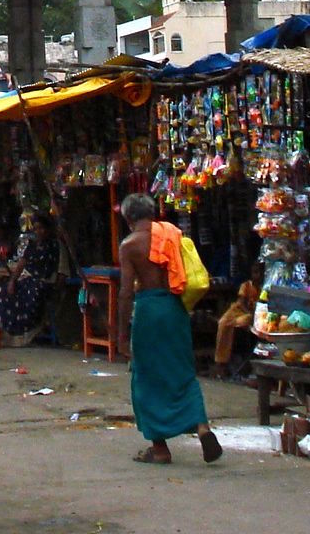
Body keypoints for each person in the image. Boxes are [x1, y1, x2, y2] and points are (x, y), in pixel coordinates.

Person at [116, 193, 220, 466]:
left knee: (146, 376)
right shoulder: (172, 234)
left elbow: (126, 292)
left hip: (149, 310)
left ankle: (160, 448)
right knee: (183, 371)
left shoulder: (130, 245)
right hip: (175, 308)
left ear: (128, 218)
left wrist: (121, 333)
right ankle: (202, 427)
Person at [0, 209, 58, 337]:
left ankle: (26, 329)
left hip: (44, 282)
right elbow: (21, 264)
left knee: (32, 292)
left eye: (41, 228)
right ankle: (6, 330)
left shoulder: (54, 245)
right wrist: (12, 281)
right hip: (28, 280)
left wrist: (57, 289)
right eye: (36, 229)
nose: (39, 231)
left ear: (47, 229)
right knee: (4, 290)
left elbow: (59, 271)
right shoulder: (32, 246)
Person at [211, 264, 262, 379]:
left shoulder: (263, 288)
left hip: (251, 316)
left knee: (246, 321)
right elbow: (242, 303)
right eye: (255, 273)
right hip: (238, 310)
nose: (257, 276)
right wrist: (250, 312)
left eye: (259, 273)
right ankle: (220, 362)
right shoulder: (246, 285)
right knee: (223, 323)